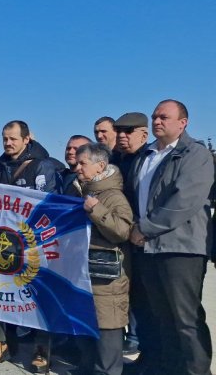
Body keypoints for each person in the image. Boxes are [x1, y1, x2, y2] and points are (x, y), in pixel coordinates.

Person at [126, 99, 213, 375]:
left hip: (180, 249)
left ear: (182, 123)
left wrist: (145, 228)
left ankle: (197, 370)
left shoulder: (195, 154)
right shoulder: (146, 155)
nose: (156, 121)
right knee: (161, 316)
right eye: (154, 116)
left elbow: (184, 200)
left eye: (164, 117)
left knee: (186, 318)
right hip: (149, 248)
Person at [0, 120, 60, 371]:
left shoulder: (42, 165)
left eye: (13, 138)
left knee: (37, 297)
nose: (8, 143)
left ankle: (41, 350)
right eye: (5, 138)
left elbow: (47, 203)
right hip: (3, 242)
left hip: (33, 245)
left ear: (26, 139)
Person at [72, 143, 132, 375]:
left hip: (106, 280)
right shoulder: (80, 192)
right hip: (84, 274)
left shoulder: (113, 196)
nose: (77, 168)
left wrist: (96, 210)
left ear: (100, 166)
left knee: (108, 332)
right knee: (86, 330)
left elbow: (122, 231)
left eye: (83, 163)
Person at [110, 112, 149, 359]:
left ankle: (137, 338)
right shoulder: (116, 160)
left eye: (128, 131)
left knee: (142, 293)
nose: (122, 136)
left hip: (143, 234)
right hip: (120, 233)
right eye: (119, 131)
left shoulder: (148, 158)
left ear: (144, 134)